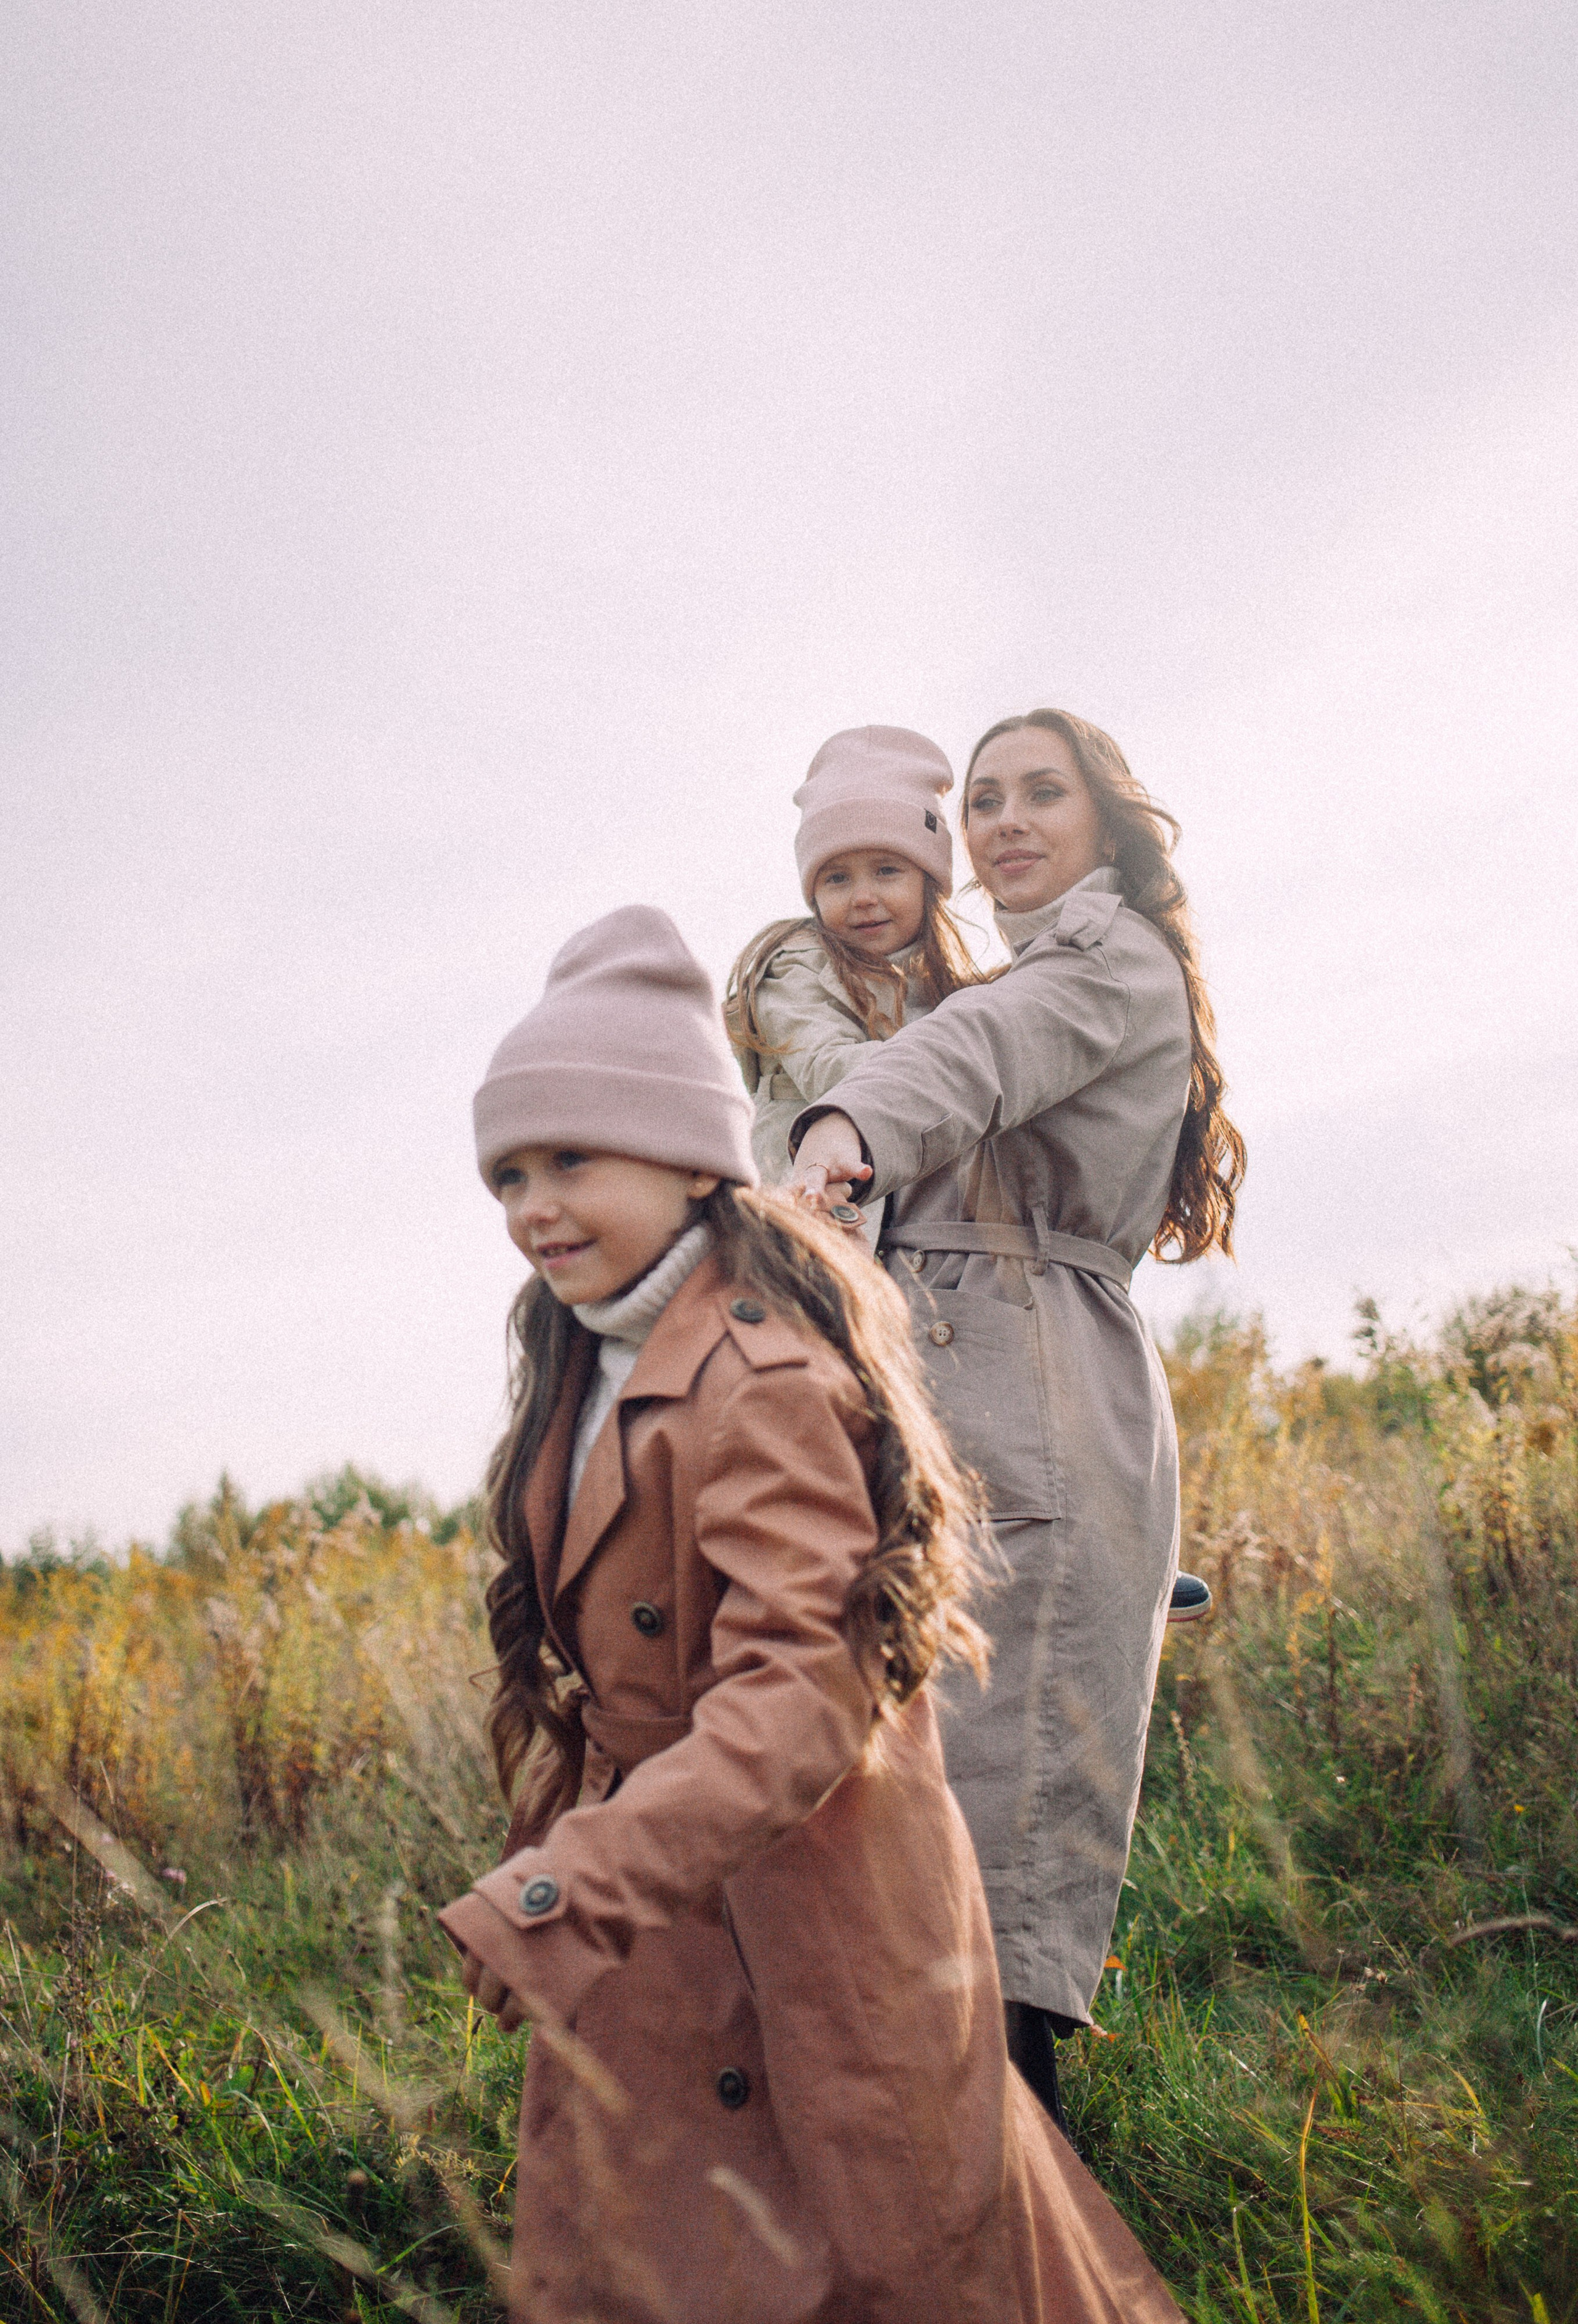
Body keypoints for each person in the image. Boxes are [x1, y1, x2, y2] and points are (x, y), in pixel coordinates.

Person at [438, 904, 1184, 2324]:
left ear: (687, 1155)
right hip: (671, 1923)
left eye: (570, 1157)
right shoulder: (590, 1356)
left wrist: (566, 1883)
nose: (532, 1204)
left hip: (813, 1925)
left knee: (881, 2263)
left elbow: (801, 1697)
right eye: (507, 1173)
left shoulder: (762, 1375)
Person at [789, 709, 1245, 2132]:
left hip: (1034, 1410)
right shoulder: (1040, 967)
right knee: (928, 1874)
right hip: (971, 1411)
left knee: (984, 1879)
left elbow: (967, 1058)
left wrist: (839, 1132)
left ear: (1105, 821)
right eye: (979, 798)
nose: (1001, 819)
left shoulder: (1099, 964)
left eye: (1039, 791)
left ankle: (1025, 2253)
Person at [724, 724, 979, 1196]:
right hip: (808, 1223)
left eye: (887, 871)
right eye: (838, 878)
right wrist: (971, 1069)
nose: (863, 897)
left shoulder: (951, 993)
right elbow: (828, 1066)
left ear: (928, 880)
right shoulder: (793, 968)